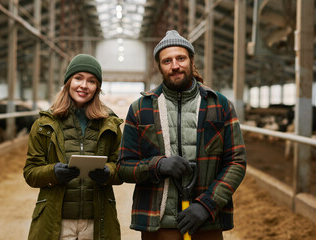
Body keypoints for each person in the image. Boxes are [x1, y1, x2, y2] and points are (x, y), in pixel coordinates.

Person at [117, 30, 247, 240]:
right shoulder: (141, 109)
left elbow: (236, 161)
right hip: (158, 224)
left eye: (181, 58)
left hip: (206, 223)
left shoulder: (219, 104)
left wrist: (207, 204)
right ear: (159, 67)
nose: (175, 65)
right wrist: (156, 165)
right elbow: (123, 166)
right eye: (167, 61)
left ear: (191, 61)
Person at [24, 54, 123, 240]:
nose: (84, 85)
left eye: (91, 81)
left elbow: (121, 168)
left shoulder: (110, 125)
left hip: (96, 222)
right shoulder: (45, 124)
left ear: (97, 88)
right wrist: (53, 172)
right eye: (78, 78)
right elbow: (30, 173)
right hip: (57, 221)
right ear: (68, 82)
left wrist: (108, 172)